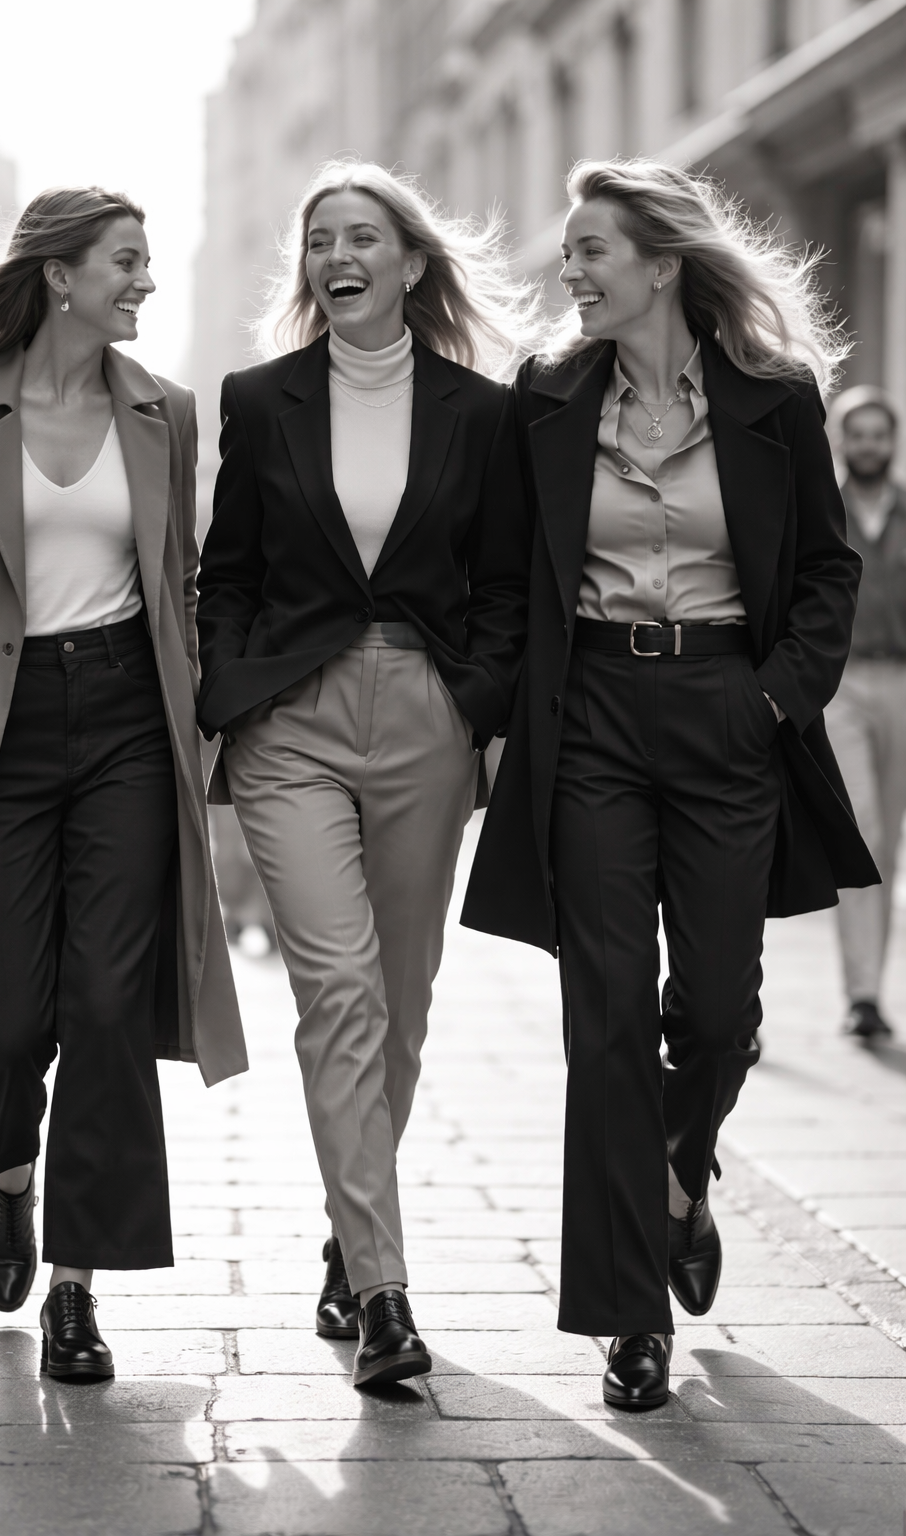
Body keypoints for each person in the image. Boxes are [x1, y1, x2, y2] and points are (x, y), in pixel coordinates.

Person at [462, 159, 877, 1411]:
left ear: (660, 262)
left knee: (713, 1014)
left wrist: (772, 699)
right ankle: (625, 1317)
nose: (569, 272)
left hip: (724, 716)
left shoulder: (773, 398)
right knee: (602, 1015)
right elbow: (498, 570)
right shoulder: (543, 397)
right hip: (587, 716)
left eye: (590, 251)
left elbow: (822, 573)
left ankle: (678, 1174)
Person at [0, 187, 246, 1381]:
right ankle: (7, 1174)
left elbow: (179, 582)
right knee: (6, 1013)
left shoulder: (165, 412)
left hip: (131, 727)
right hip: (2, 720)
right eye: (125, 263)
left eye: (145, 263)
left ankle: (79, 1290)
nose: (144, 283)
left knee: (103, 1002)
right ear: (61, 276)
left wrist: (196, 717)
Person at [196, 160, 535, 1387]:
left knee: (399, 997)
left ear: (409, 264)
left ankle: (349, 1236)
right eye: (319, 239)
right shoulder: (259, 397)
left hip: (426, 723)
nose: (337, 255)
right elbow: (225, 567)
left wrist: (473, 705)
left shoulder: (481, 412)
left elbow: (504, 585)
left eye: (362, 236)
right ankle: (385, 1291)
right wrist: (230, 688)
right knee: (336, 993)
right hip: (293, 723)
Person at [825, 388, 905, 1040]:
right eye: (860, 435)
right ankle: (860, 994)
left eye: (881, 435)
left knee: (892, 840)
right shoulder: (826, 509)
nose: (871, 445)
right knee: (866, 832)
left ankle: (872, 991)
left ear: (894, 441)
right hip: (843, 684)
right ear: (843, 441)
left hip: (903, 683)